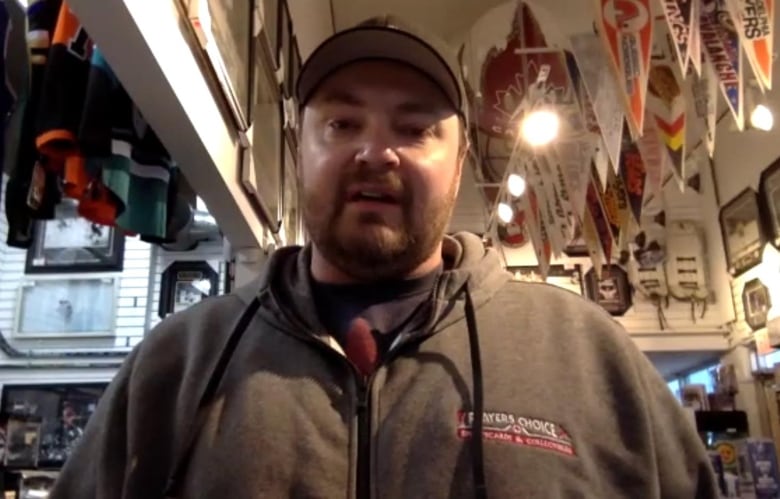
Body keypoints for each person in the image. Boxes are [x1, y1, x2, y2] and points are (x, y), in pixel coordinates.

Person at [50, 15, 719, 499]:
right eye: (342, 124)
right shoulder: (175, 367)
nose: (377, 152)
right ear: (300, 149)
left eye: (415, 127)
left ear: (458, 166)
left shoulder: (591, 359)